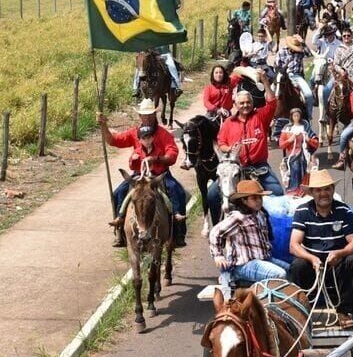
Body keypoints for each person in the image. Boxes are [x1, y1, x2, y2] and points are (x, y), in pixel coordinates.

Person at [98, 99, 187, 248]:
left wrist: (157, 159)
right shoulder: (134, 132)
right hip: (138, 176)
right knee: (118, 193)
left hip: (158, 175)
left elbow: (173, 154)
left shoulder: (164, 134)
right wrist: (104, 126)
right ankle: (120, 231)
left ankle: (178, 232)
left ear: (154, 115)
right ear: (140, 116)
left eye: (149, 115)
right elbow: (114, 140)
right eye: (143, 115)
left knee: (178, 191)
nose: (146, 118)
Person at [288, 170, 353, 328]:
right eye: (319, 190)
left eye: (327, 189)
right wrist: (311, 258)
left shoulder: (344, 211)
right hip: (312, 267)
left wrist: (340, 253)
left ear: (332, 191)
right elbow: (294, 245)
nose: (323, 193)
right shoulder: (302, 212)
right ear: (312, 193)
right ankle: (302, 311)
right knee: (297, 265)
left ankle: (344, 311)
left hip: (336, 265)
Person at [206, 85, 281, 223]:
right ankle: (218, 227)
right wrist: (230, 149)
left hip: (258, 167)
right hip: (234, 167)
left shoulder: (261, 116)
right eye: (241, 103)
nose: (245, 105)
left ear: (252, 103)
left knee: (277, 192)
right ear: (235, 105)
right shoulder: (228, 123)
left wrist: (264, 81)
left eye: (248, 102)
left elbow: (272, 102)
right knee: (211, 195)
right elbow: (221, 143)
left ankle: (273, 228)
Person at [209, 180, 287, 293]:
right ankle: (273, 305)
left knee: (291, 271)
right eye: (254, 198)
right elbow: (215, 233)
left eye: (260, 198)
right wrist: (218, 256)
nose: (258, 201)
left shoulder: (260, 215)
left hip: (264, 260)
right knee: (279, 274)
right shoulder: (238, 217)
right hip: (244, 265)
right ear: (244, 200)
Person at [279, 108, 319, 195]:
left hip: (304, 154)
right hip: (292, 155)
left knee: (305, 167)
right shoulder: (287, 129)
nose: (296, 117)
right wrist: (289, 140)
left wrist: (308, 139)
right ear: (291, 117)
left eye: (298, 115)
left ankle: (304, 187)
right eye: (294, 115)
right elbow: (281, 144)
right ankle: (294, 189)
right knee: (295, 167)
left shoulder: (305, 127)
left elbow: (316, 143)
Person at [276, 36, 315, 119]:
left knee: (309, 95)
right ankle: (272, 116)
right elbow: (276, 65)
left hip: (297, 75)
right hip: (283, 75)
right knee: (272, 93)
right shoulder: (281, 52)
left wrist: (303, 42)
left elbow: (309, 54)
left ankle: (308, 115)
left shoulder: (300, 52)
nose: (295, 49)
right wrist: (282, 72)